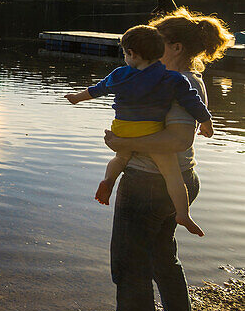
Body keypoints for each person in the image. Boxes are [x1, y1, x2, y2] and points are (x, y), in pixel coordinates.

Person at [83, 8, 234, 311]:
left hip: (150, 185)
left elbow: (179, 138)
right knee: (162, 259)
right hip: (177, 181)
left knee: (130, 264)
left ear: (176, 47)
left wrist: (123, 143)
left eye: (158, 42)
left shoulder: (178, 81)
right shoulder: (173, 79)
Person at [65, 24, 213, 237]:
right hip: (150, 131)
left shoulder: (119, 75)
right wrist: (206, 121)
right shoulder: (172, 79)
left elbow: (97, 90)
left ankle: (109, 180)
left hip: (122, 130)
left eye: (125, 53)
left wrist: (76, 98)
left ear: (131, 54)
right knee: (172, 174)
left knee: (119, 157)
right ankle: (183, 213)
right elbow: (193, 102)